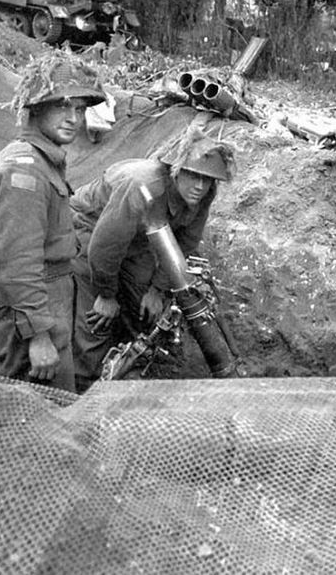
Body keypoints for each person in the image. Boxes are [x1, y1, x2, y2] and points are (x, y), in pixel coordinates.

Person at [0, 54, 106, 391]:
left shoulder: (44, 161)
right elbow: (16, 263)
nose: (74, 118)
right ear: (37, 107)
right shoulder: (26, 171)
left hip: (43, 308)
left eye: (79, 109)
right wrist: (38, 337)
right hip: (28, 321)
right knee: (34, 426)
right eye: (63, 106)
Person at [70, 128, 236, 392]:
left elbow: (184, 243)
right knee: (96, 320)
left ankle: (128, 369)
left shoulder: (203, 193)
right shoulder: (144, 185)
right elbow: (105, 245)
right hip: (91, 229)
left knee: (145, 311)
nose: (200, 186)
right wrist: (106, 295)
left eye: (208, 179)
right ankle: (84, 389)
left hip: (139, 238)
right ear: (176, 169)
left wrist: (157, 289)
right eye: (193, 175)